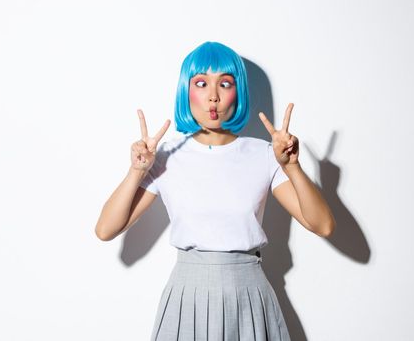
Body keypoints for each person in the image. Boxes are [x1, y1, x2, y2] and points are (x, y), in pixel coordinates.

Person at [95, 41, 336, 341]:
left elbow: (323, 224)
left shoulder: (264, 154)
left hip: (248, 294)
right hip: (187, 297)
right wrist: (136, 171)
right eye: (201, 83)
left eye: (224, 83)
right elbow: (105, 229)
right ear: (186, 91)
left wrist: (292, 166)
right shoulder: (165, 156)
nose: (213, 96)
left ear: (239, 91)